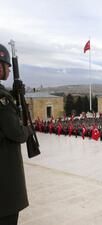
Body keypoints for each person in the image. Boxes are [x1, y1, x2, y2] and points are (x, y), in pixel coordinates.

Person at [0, 43, 33, 225]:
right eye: (7, 66)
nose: (9, 70)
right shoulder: (2, 99)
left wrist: (13, 93)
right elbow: (16, 132)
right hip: (4, 184)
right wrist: (28, 130)